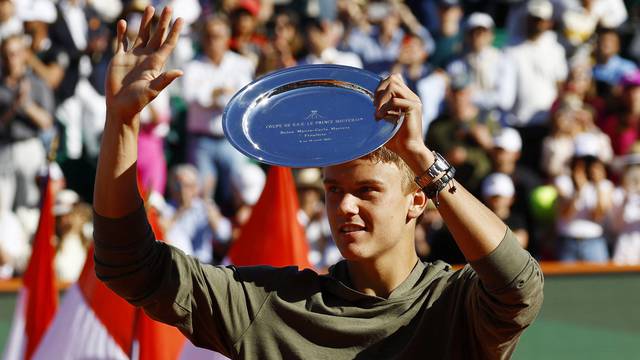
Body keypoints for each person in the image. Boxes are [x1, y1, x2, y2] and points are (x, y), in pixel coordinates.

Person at [93, 7, 543, 359]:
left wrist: (421, 155)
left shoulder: (454, 306)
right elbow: (130, 265)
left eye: (367, 191)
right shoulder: (270, 306)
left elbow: (519, 286)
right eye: (333, 191)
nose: (344, 207)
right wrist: (121, 123)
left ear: (417, 200)